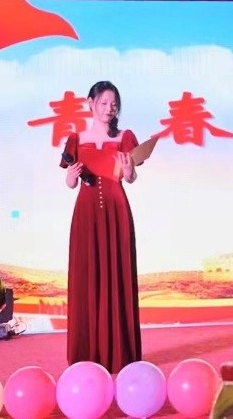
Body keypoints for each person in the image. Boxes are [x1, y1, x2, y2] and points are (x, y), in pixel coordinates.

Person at [60, 81, 142, 372]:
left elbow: (130, 178)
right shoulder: (75, 139)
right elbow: (70, 183)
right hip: (86, 213)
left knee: (117, 275)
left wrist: (129, 170)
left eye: (114, 104)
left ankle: (120, 353)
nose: (109, 109)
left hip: (116, 210)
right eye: (104, 103)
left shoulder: (125, 137)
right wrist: (71, 176)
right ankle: (87, 352)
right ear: (90, 103)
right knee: (87, 275)